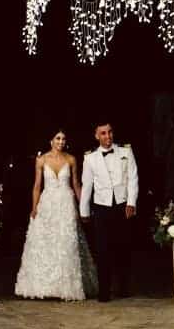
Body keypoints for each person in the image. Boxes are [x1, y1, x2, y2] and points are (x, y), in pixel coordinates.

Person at [14, 129, 86, 300]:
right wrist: (34, 208)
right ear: (51, 140)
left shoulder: (71, 159)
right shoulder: (42, 159)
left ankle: (66, 288)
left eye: (63, 139)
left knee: (66, 242)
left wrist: (83, 207)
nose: (61, 142)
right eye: (58, 138)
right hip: (47, 204)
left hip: (66, 203)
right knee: (46, 241)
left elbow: (76, 184)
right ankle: (45, 286)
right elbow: (37, 186)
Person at [80, 121, 138, 302]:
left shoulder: (126, 151)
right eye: (103, 133)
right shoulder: (90, 158)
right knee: (102, 250)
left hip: (122, 205)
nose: (108, 136)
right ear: (96, 136)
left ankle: (123, 288)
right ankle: (104, 291)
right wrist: (84, 211)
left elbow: (133, 178)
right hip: (101, 207)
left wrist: (131, 203)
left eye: (110, 132)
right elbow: (87, 186)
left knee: (123, 247)